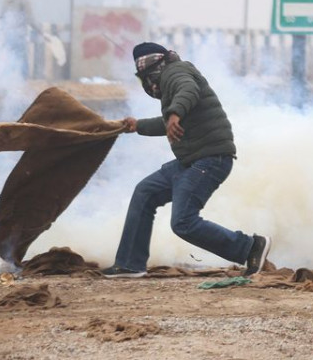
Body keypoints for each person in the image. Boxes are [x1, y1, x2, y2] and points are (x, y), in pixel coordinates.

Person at [101, 42, 271, 278]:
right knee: (145, 192)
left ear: (152, 68)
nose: (147, 84)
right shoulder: (171, 82)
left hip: (210, 160)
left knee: (183, 222)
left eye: (145, 77)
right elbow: (171, 123)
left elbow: (188, 90)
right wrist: (137, 126)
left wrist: (175, 113)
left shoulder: (176, 72)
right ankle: (130, 264)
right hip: (190, 161)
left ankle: (250, 247)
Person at [0, 0, 40, 79]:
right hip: (19, 35)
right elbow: (30, 19)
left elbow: (1, 17)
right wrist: (40, 30)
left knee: (9, 59)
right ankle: (23, 82)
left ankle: (7, 81)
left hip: (8, 35)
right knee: (22, 60)